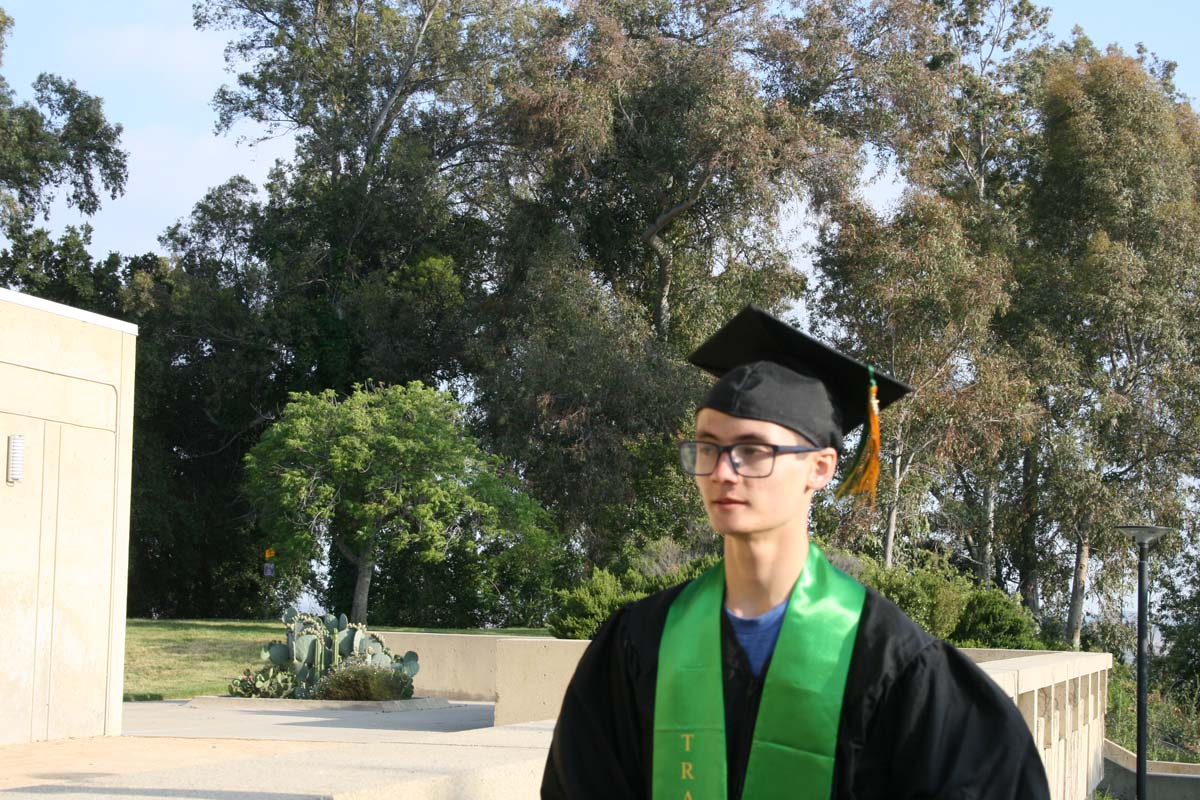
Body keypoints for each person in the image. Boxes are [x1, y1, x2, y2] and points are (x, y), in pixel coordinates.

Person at [541, 306, 1051, 800]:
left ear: (821, 468)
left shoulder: (891, 663)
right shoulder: (639, 644)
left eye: (753, 450)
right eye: (707, 447)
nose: (722, 471)